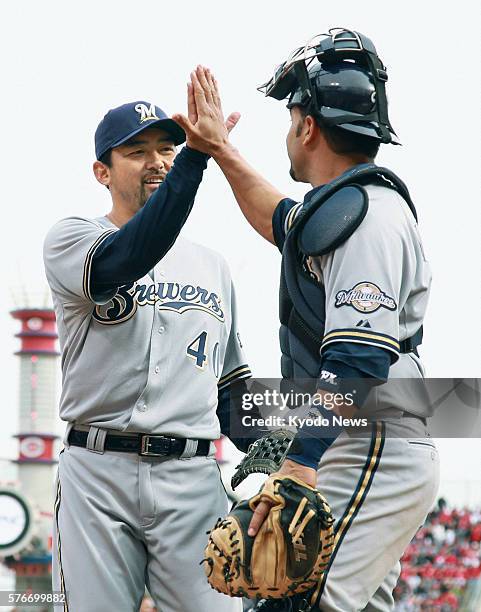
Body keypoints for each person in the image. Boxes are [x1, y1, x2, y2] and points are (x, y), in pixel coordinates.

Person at [174, 30, 440, 611]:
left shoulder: (370, 218)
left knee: (293, 601)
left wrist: (299, 461)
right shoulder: (340, 210)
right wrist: (219, 149)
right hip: (361, 438)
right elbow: (278, 218)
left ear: (309, 126)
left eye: (292, 115)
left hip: (374, 437)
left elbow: (359, 361)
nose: (288, 131)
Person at [43, 86, 251, 611]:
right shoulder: (72, 238)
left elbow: (231, 390)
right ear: (102, 172)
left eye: (167, 149)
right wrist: (197, 162)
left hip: (194, 477)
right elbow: (127, 257)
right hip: (97, 473)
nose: (156, 161)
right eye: (136, 152)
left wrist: (289, 457)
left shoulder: (213, 266)